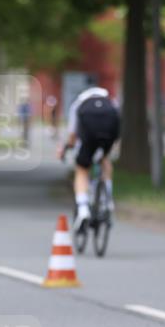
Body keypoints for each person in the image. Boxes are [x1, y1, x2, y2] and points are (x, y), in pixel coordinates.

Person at [57, 83, 121, 232]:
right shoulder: (111, 102)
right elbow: (117, 127)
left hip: (88, 138)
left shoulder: (79, 104)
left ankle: (83, 207)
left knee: (82, 169)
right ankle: (107, 200)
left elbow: (73, 135)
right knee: (105, 160)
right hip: (107, 137)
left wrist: (67, 147)